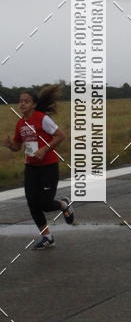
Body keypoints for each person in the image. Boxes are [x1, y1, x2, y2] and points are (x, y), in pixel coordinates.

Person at [3, 85, 74, 249]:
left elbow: (61, 135)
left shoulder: (42, 118)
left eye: (26, 101)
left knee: (45, 204)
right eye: (20, 101)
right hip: (31, 168)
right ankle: (47, 237)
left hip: (48, 166)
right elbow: (17, 146)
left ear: (34, 104)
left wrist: (44, 149)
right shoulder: (20, 123)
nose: (22, 104)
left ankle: (64, 205)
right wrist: (10, 145)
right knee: (32, 203)